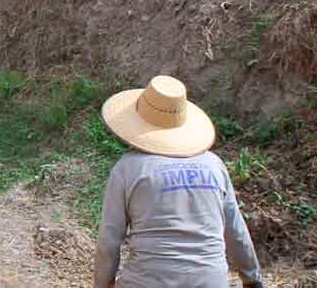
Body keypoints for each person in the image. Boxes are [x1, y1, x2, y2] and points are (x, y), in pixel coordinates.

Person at [94, 76, 263, 288]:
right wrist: (252, 279)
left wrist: (102, 284)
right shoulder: (214, 165)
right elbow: (235, 230)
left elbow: (109, 240)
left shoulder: (128, 169)